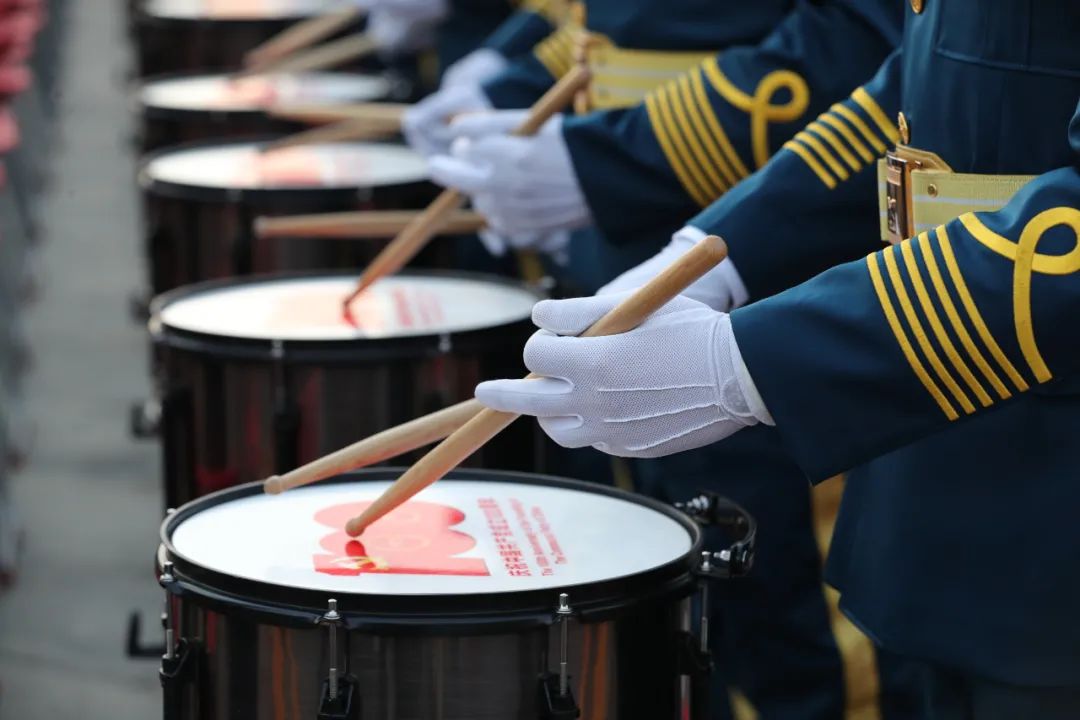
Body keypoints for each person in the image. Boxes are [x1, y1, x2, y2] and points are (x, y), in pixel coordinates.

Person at [474, 1, 1080, 715]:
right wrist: (720, 250)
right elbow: (915, 88)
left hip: (1047, 499)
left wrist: (757, 364)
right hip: (927, 461)